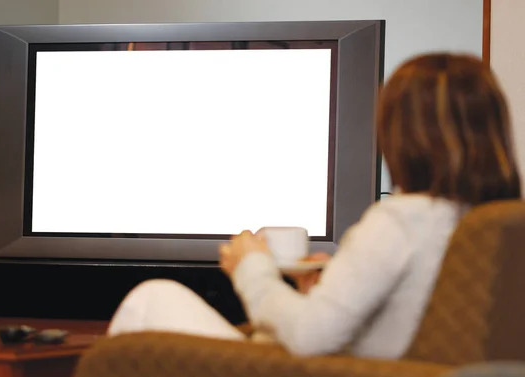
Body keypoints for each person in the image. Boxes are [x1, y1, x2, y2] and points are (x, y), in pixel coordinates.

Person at [106, 53, 522, 358]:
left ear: (401, 134)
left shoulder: (400, 221)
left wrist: (252, 267)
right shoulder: (496, 222)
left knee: (151, 297)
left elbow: (309, 338)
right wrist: (329, 287)